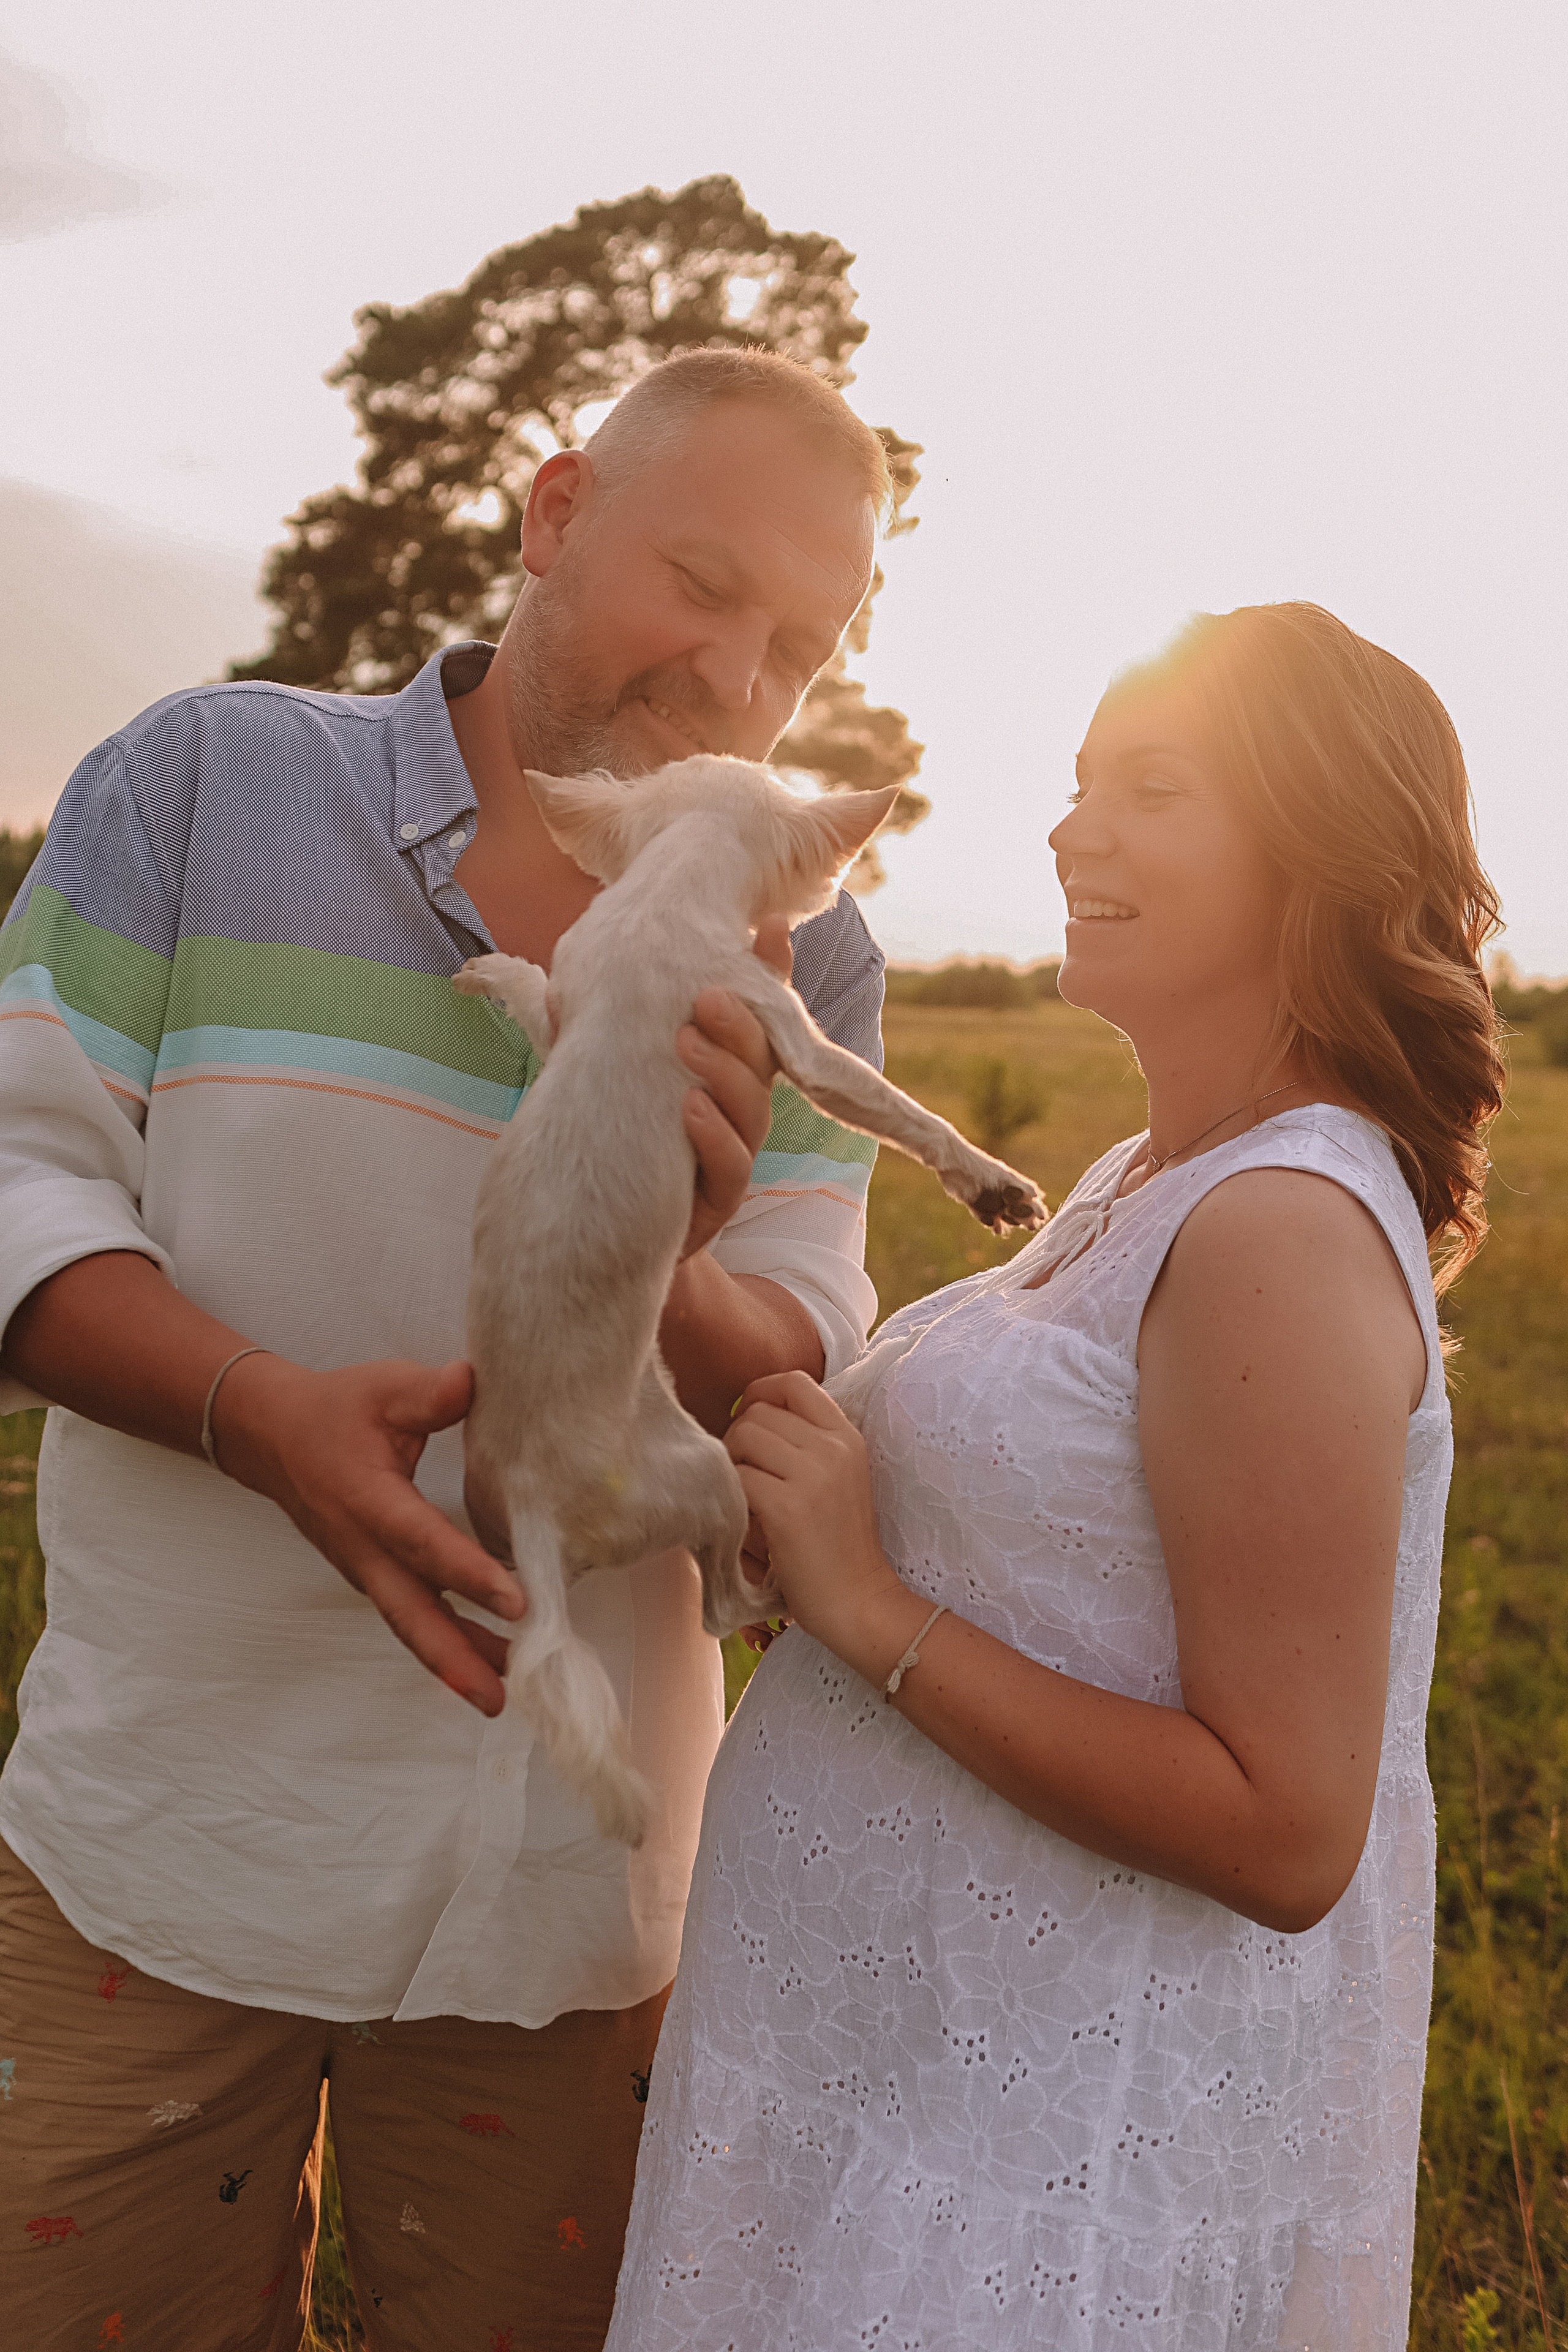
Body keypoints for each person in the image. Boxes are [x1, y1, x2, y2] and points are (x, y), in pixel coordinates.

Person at [0, 350, 893, 2350]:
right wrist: (257, 1414)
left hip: (566, 1901)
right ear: (554, 511)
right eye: (701, 578)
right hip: (161, 1845)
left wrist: (682, 1257)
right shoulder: (208, 781)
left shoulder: (808, 954)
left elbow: (810, 1360)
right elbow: (18, 1183)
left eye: (800, 642)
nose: (741, 674)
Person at [605, 603, 1503, 2351]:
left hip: (1031, 2190)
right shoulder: (1146, 1178)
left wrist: (866, 1605)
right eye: (1081, 784)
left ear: (1315, 847)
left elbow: (1287, 1824)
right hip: (892, 2097)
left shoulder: (1282, 1234)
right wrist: (665, 1249)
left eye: (1150, 789)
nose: (1070, 829)